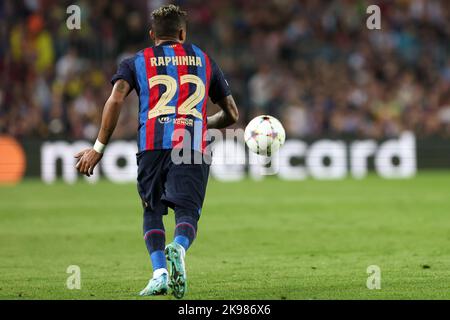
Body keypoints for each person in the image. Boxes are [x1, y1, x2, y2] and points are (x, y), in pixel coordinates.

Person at [74, 4, 239, 299]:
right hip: (192, 145)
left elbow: (115, 100)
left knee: (151, 210)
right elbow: (232, 114)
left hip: (152, 145)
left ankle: (159, 273)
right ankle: (178, 247)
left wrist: (98, 148)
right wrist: (202, 122)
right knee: (187, 211)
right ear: (182, 33)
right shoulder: (204, 59)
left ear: (152, 35)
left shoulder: (136, 61)